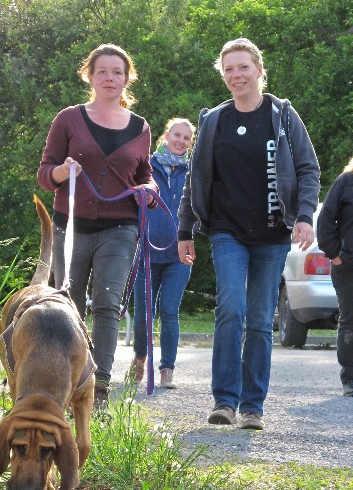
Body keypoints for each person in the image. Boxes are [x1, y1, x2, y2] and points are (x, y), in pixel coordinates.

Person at [178, 37, 320, 430]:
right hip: (226, 231)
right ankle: (224, 401)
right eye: (229, 69)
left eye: (243, 67)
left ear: (259, 69)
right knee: (231, 310)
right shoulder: (213, 121)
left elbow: (308, 169)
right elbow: (196, 179)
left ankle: (253, 406)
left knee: (259, 319)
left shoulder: (283, 116)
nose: (236, 75)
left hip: (273, 233)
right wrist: (185, 229)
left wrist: (304, 215)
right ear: (223, 76)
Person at [37, 43, 158, 412]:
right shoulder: (68, 119)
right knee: (65, 303)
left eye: (117, 72)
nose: (110, 78)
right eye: (102, 71)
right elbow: (45, 174)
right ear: (90, 76)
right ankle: (62, 380)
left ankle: (98, 389)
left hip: (120, 227)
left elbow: (145, 175)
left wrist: (149, 191)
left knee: (107, 303)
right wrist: (63, 171)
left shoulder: (140, 127)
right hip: (70, 224)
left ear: (127, 78)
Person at [129, 117, 195, 389]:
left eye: (187, 138)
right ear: (166, 136)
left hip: (179, 256)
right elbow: (131, 199)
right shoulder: (147, 167)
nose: (181, 141)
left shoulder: (193, 171)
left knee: (169, 310)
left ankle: (167, 368)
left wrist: (191, 234)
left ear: (190, 143)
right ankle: (139, 360)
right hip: (146, 252)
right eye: (176, 135)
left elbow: (199, 207)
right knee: (143, 312)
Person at [317, 158, 353, 397]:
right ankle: (350, 379)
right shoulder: (346, 181)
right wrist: (335, 255)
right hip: (347, 265)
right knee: (350, 320)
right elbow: (326, 220)